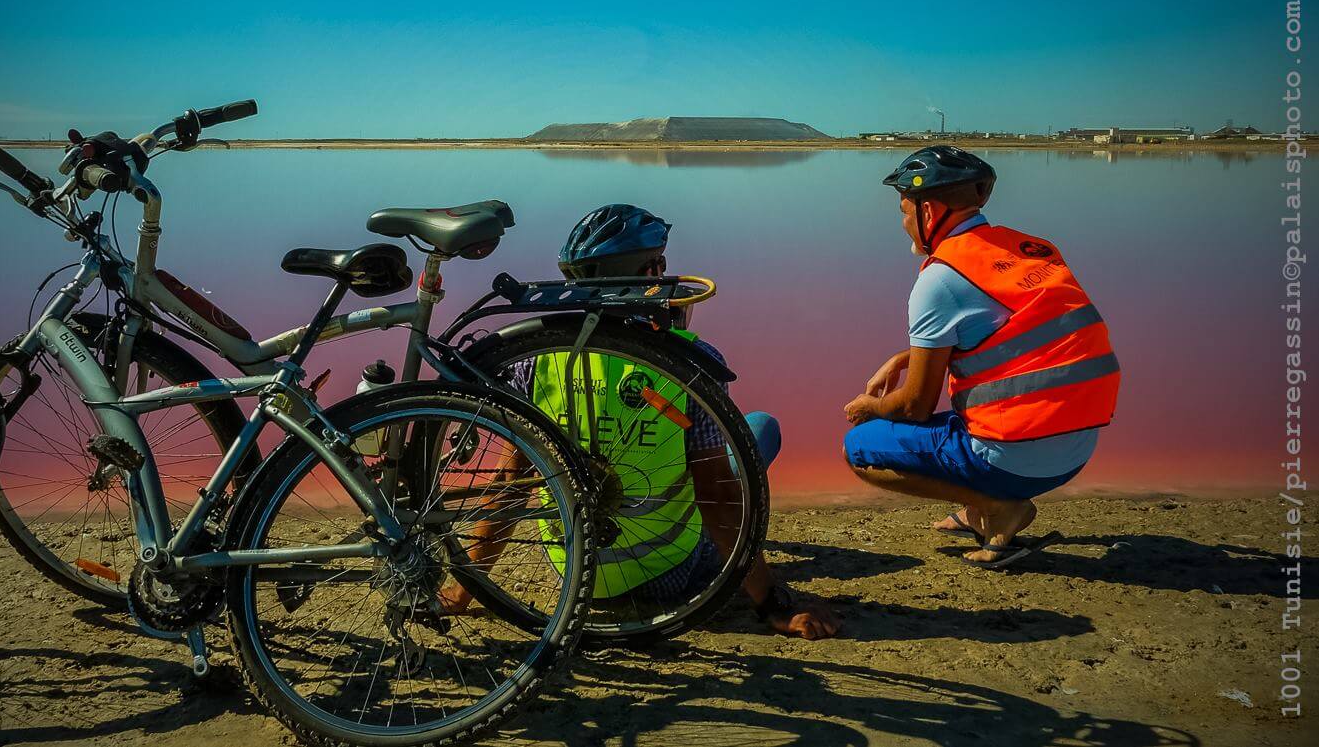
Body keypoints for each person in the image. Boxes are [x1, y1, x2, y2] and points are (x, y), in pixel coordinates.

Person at [443, 204, 840, 639]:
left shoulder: (537, 360)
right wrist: (771, 603)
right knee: (761, 428)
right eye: (660, 265)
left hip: (578, 576)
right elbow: (719, 496)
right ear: (649, 272)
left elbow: (509, 483)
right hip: (667, 574)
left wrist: (462, 589)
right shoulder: (691, 362)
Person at [842, 146, 1120, 568]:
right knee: (953, 421)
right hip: (1077, 447)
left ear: (929, 212)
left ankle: (996, 504)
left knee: (859, 447)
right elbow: (1012, 338)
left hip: (1021, 460)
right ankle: (980, 504)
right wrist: (906, 358)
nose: (903, 224)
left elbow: (915, 407)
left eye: (903, 211)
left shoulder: (940, 279)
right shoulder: (1027, 249)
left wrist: (871, 407)